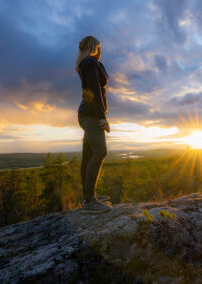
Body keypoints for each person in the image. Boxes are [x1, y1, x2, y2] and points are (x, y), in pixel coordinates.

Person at [76, 35, 112, 213]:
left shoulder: (90, 63)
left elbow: (97, 85)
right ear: (93, 47)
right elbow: (94, 91)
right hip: (91, 114)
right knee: (100, 152)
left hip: (87, 113)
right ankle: (90, 201)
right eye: (99, 47)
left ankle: (89, 196)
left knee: (89, 156)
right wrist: (102, 117)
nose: (101, 50)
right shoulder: (90, 63)